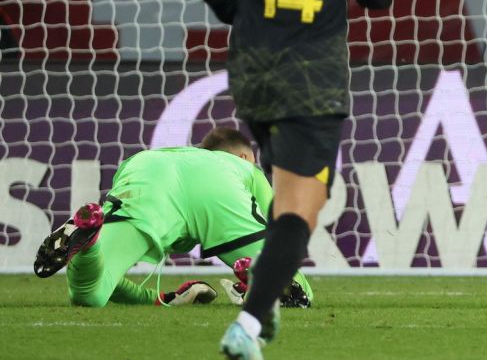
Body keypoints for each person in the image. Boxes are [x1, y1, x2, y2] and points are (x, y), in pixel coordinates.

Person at [184, 0, 395, 360]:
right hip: (314, 78)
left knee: (288, 199)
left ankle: (264, 300)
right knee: (301, 210)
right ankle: (248, 324)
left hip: (252, 75)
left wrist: (232, 10)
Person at [32, 127, 311, 309]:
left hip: (147, 171)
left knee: (90, 294)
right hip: (218, 192)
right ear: (243, 156)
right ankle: (258, 276)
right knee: (300, 293)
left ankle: (89, 239)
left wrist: (156, 300)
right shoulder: (242, 167)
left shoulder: (169, 155)